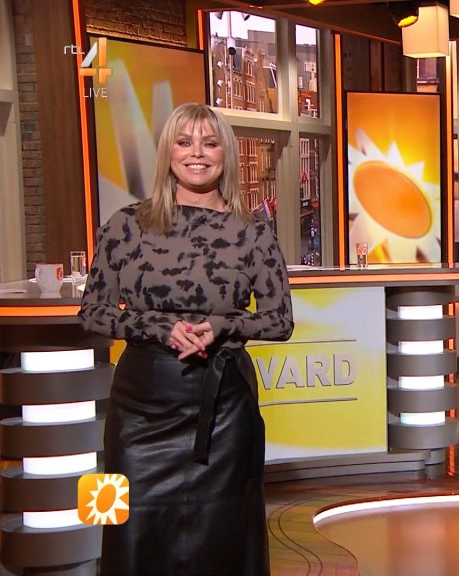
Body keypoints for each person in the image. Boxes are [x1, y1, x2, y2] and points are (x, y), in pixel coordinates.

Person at [79, 103, 294, 574]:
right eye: (184, 142)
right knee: (132, 532)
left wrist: (223, 326)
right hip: (141, 408)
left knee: (221, 536)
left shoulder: (252, 232)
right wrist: (159, 327)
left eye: (210, 143)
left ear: (226, 154)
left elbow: (279, 321)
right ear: (168, 153)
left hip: (223, 410)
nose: (197, 153)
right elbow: (93, 312)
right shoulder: (126, 225)